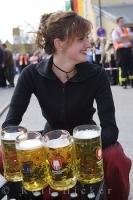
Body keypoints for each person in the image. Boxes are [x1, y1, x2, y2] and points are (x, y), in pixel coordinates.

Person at [1, 11, 131, 200]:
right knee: (2, 152)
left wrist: (76, 148)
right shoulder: (31, 74)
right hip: (51, 141)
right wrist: (36, 146)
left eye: (88, 38)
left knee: (117, 157)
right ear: (59, 43)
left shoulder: (97, 74)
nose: (88, 44)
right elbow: (10, 126)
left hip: (85, 142)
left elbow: (110, 130)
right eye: (81, 39)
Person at [112, 16, 133, 88]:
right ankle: (124, 83)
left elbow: (131, 38)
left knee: (131, 66)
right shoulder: (115, 31)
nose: (123, 22)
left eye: (123, 21)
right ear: (118, 23)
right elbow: (117, 40)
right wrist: (126, 38)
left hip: (128, 50)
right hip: (120, 51)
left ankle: (132, 82)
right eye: (121, 21)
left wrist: (123, 38)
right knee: (123, 67)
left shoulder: (127, 30)